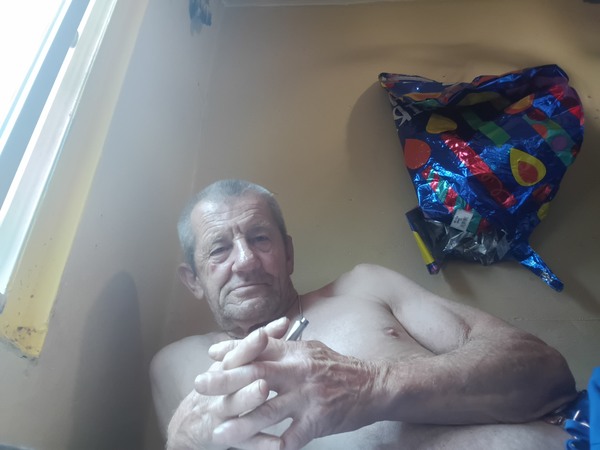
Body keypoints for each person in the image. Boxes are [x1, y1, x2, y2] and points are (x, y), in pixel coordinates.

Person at [151, 179, 578, 450]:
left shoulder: (364, 286)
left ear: (289, 253)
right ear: (192, 279)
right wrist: (185, 441)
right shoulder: (178, 364)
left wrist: (372, 385)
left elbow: (546, 372)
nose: (245, 261)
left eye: (260, 238)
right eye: (220, 249)